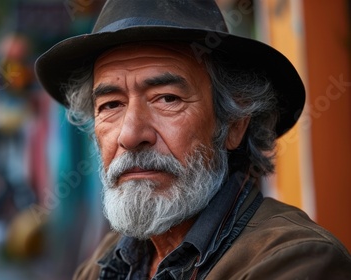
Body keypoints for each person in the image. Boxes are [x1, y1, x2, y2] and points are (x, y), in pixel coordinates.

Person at [35, 0, 351, 279]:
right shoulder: (110, 258)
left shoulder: (293, 260)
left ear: (234, 124)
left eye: (167, 99)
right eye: (110, 105)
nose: (131, 135)